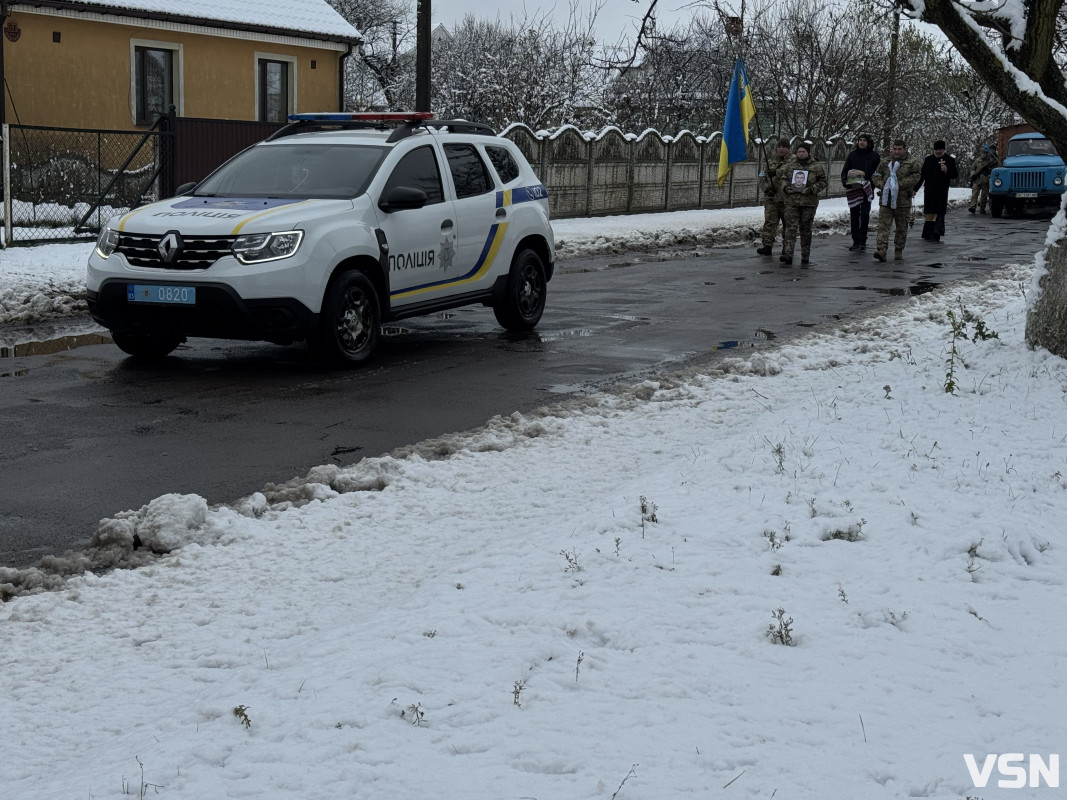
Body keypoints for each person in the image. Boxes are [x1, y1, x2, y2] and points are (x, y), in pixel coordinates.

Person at [870, 139, 922, 262]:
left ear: (905, 149)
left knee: (901, 227)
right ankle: (881, 250)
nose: (896, 152)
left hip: (902, 200)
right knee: (883, 226)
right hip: (886, 199)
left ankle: (898, 250)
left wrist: (899, 184)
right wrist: (882, 184)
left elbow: (916, 176)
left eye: (899, 149)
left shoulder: (912, 162)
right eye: (894, 149)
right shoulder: (885, 161)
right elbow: (876, 175)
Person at [779, 141, 827, 266]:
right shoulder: (790, 165)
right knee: (790, 228)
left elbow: (823, 182)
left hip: (808, 203)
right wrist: (785, 188)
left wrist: (811, 189)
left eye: (803, 152)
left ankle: (805, 255)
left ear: (808, 153)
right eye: (799, 151)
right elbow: (783, 179)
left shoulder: (816, 166)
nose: (801, 154)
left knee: (805, 229)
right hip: (792, 201)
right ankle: (788, 254)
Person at [839, 134, 880, 251]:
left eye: (864, 140)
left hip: (867, 188)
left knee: (865, 214)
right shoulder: (853, 155)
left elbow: (877, 172)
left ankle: (862, 240)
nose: (862, 142)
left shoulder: (874, 156)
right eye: (860, 140)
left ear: (869, 143)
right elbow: (845, 171)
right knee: (854, 214)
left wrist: (870, 182)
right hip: (854, 188)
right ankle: (855, 240)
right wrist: (846, 182)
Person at [915, 140, 959, 242]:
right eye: (936, 150)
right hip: (929, 190)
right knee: (929, 211)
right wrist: (915, 189)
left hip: (941, 191)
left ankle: (937, 231)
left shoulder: (950, 160)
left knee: (939, 211)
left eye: (940, 150)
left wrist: (946, 170)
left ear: (944, 150)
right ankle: (928, 232)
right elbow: (922, 176)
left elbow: (955, 175)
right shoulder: (928, 159)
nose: (938, 152)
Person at [756, 138, 793, 256]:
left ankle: (787, 247)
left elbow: (792, 174)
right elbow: (761, 177)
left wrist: (777, 172)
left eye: (784, 147)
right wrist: (767, 189)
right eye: (779, 147)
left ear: (789, 149)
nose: (781, 149)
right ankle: (767, 245)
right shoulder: (770, 162)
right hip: (771, 199)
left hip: (787, 199)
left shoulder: (793, 162)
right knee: (770, 223)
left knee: (788, 225)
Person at [968, 142, 998, 214]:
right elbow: (972, 168)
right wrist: (973, 174)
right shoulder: (977, 160)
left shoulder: (992, 161)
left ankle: (982, 208)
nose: (984, 154)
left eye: (985, 153)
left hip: (985, 181)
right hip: (977, 180)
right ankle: (973, 207)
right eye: (983, 152)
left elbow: (994, 169)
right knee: (974, 194)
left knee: (984, 196)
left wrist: (989, 173)